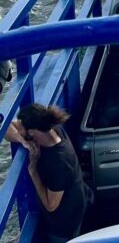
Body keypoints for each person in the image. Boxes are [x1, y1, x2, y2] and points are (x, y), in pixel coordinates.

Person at [4, 104, 88, 243]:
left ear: (31, 132)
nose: (18, 128)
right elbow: (7, 127)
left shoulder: (59, 162)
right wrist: (22, 140)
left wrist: (33, 170)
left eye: (21, 128)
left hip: (64, 224)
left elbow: (51, 205)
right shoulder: (52, 128)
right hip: (77, 199)